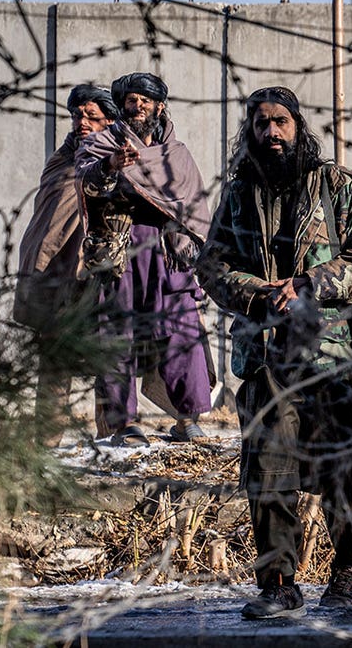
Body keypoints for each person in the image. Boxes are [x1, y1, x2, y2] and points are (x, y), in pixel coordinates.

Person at [197, 86, 352, 619]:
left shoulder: (337, 185)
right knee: (268, 467)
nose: (272, 133)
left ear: (297, 125)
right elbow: (212, 268)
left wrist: (312, 282)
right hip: (267, 357)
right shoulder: (239, 194)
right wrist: (259, 292)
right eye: (261, 123)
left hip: (332, 356)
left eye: (281, 122)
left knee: (343, 465)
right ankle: (279, 584)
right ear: (251, 131)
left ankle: (347, 572)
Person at [74, 72, 213, 446]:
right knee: (117, 335)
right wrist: (111, 167)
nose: (137, 107)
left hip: (170, 253)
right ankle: (125, 425)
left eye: (144, 100)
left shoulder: (177, 153)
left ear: (159, 105)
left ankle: (187, 420)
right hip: (121, 250)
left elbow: (195, 202)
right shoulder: (105, 143)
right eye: (130, 101)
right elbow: (86, 180)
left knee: (182, 331)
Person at [14, 84, 119, 443]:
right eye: (77, 115)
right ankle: (47, 439)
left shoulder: (116, 161)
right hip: (57, 273)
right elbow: (50, 221)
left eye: (93, 117)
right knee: (55, 355)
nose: (82, 123)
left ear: (110, 121)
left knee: (108, 353)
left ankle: (112, 435)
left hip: (97, 273)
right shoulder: (62, 160)